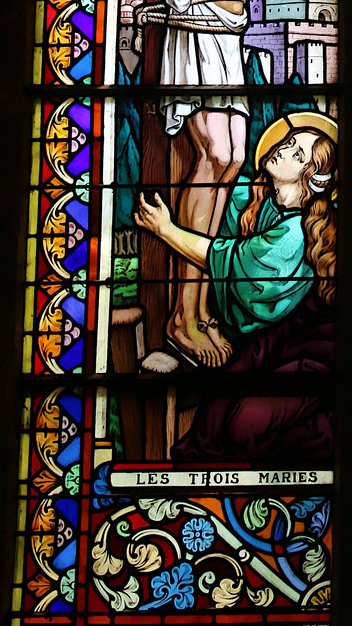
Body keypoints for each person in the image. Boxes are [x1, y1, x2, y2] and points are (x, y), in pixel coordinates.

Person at [149, 0, 294, 364]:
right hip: (196, 23)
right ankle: (180, 316)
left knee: (231, 163)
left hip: (229, 32)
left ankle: (200, 305)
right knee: (215, 154)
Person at [135, 112, 337, 464]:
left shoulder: (296, 234)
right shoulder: (259, 196)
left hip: (311, 350)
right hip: (268, 341)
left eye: (297, 154)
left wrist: (166, 230)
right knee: (214, 423)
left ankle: (328, 430)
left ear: (310, 179)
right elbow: (211, 205)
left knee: (244, 427)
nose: (284, 149)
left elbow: (225, 260)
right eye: (288, 142)